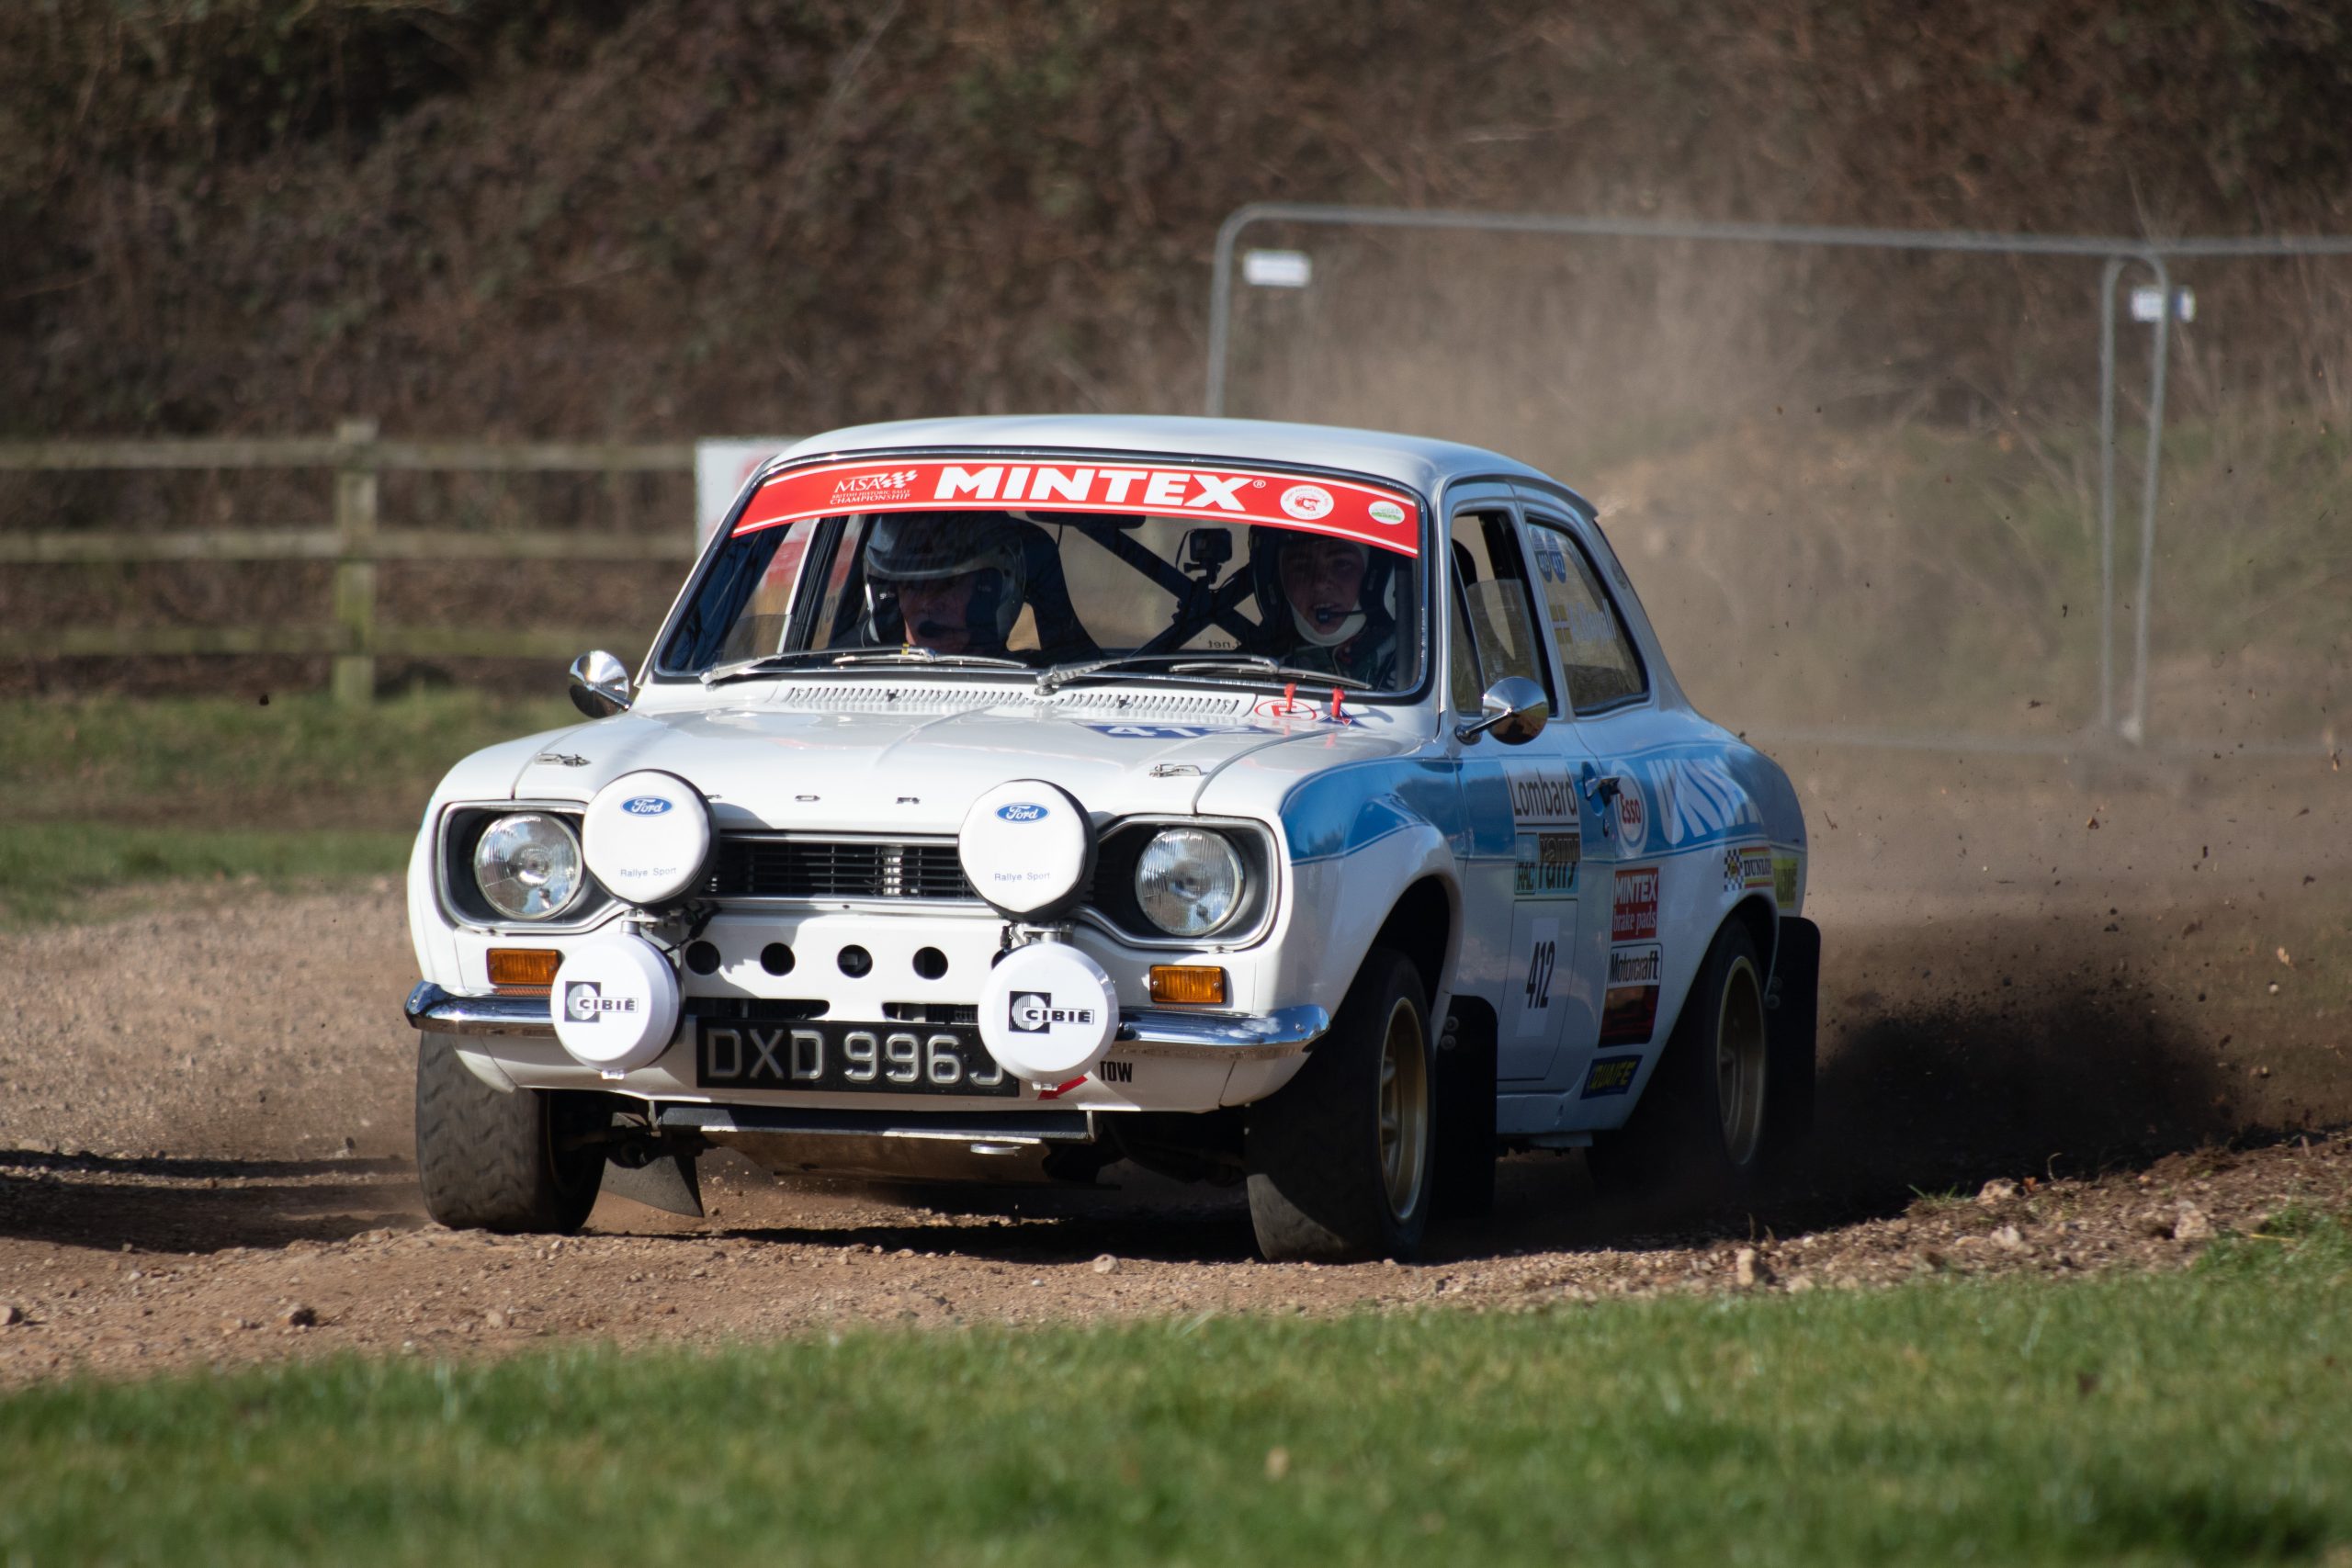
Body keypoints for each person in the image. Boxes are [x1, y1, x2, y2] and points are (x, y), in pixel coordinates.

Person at [860, 512, 1030, 657]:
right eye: (912, 586)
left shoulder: (1037, 682)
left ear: (989, 593)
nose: (927, 603)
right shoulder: (846, 671)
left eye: (947, 585)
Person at [1250, 527, 1401, 685]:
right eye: (1301, 567)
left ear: (1376, 579)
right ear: (1277, 585)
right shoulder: (1249, 667)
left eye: (1341, 564)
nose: (1320, 584)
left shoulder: (1417, 662)